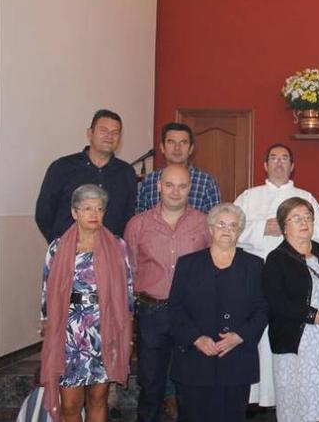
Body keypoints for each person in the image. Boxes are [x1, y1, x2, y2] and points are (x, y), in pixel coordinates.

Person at [235, 143, 319, 409]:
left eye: (284, 158)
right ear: (265, 165)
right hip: (255, 275)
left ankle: (286, 397)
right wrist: (262, 227)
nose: (279, 162)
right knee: (257, 335)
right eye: (273, 158)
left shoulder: (305, 196)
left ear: (292, 165)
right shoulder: (249, 196)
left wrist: (296, 228)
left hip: (294, 280)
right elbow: (229, 229)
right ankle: (256, 397)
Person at [39, 184, 133, 422]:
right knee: (70, 403)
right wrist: (45, 322)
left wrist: (128, 329)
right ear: (74, 212)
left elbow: (127, 290)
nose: (94, 214)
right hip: (69, 331)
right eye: (87, 208)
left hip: (104, 329)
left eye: (99, 209)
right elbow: (46, 291)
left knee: (98, 398)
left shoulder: (118, 246)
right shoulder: (57, 248)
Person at [124, 164, 211, 422]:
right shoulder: (137, 225)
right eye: (170, 185)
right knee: (150, 383)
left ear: (190, 189)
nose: (175, 191)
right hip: (152, 312)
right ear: (159, 186)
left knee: (189, 385)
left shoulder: (204, 223)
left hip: (191, 314)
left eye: (182, 186)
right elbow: (129, 271)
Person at [168, 203, 268, 422]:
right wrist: (196, 338)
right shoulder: (187, 264)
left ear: (240, 231)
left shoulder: (254, 265)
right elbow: (175, 309)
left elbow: (262, 310)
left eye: (233, 225)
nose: (227, 229)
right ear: (210, 229)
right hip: (194, 361)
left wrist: (239, 336)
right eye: (221, 224)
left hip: (236, 359)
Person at [263, 197, 319, 422]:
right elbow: (277, 302)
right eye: (296, 218)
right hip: (296, 339)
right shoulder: (276, 259)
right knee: (298, 404)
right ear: (284, 226)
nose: (304, 222)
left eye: (308, 217)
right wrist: (315, 316)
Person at [35, 109, 137, 243]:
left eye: (115, 133)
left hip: (110, 255)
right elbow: (43, 214)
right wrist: (60, 244)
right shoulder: (62, 168)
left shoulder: (126, 172)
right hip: (67, 253)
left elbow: (129, 217)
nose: (109, 136)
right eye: (103, 130)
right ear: (90, 133)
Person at [136, 122, 221, 214]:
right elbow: (140, 219)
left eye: (183, 143)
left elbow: (215, 221)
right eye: (171, 142)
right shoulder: (150, 181)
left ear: (191, 149)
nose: (177, 148)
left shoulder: (206, 182)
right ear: (162, 147)